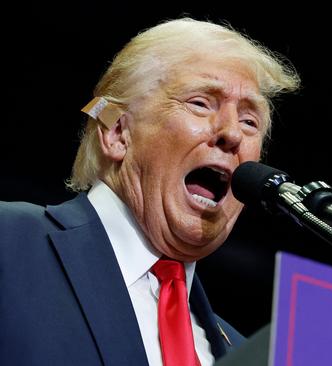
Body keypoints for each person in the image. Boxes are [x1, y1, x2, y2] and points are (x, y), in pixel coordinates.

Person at [0, 17, 299, 365]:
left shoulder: (241, 350)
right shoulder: (9, 241)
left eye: (250, 122)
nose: (233, 134)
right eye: (201, 103)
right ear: (116, 132)